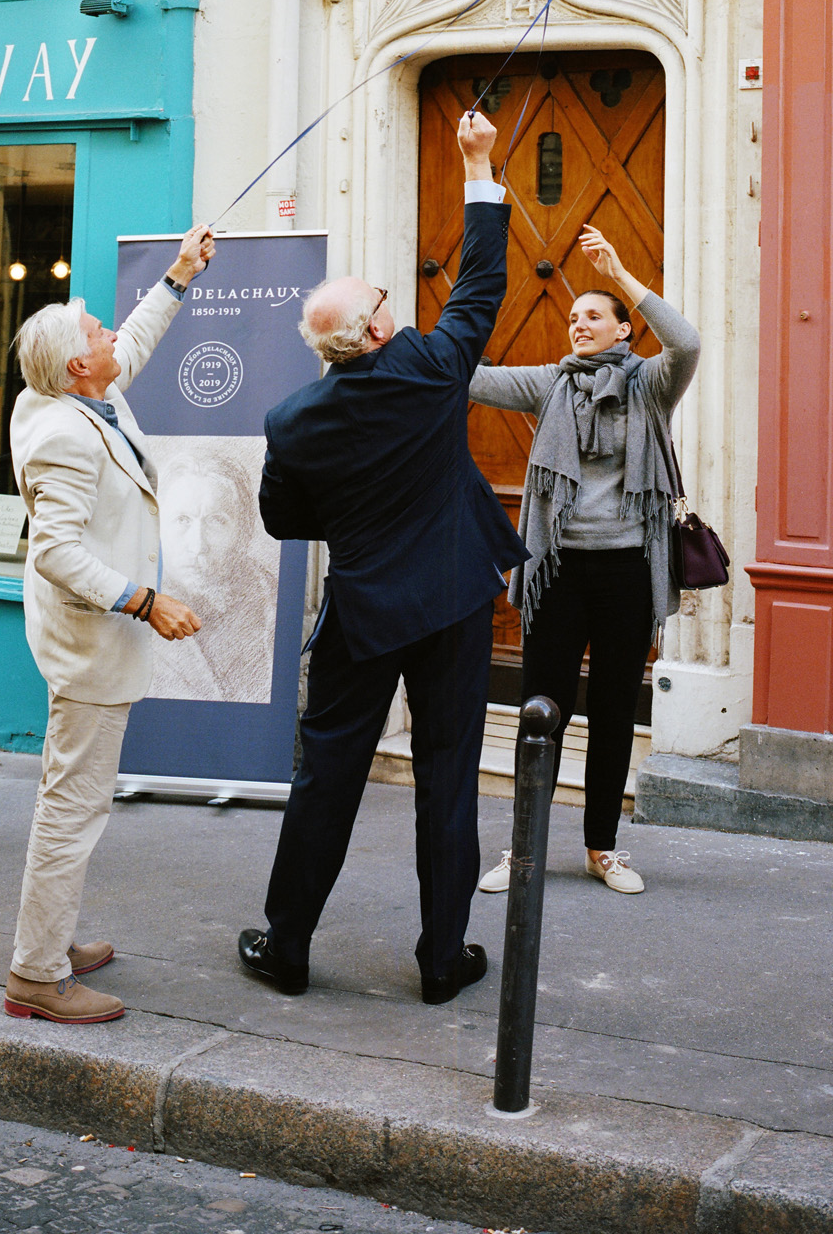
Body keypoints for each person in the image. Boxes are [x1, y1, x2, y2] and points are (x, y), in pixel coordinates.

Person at [239, 108, 524, 1006]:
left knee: (326, 777)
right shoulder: (431, 369)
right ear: (367, 336)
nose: (398, 311)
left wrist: (356, 517)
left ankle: (287, 947)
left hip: (363, 610)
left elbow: (284, 521)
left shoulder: (292, 422)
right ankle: (443, 960)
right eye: (385, 306)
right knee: (448, 780)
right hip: (450, 604)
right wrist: (477, 164)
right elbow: (480, 284)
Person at [3, 224, 215, 1026]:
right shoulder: (63, 430)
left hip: (91, 643)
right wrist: (143, 599)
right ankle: (36, 973)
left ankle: (50, 942)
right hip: (89, 647)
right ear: (76, 367)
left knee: (76, 804)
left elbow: (133, 341)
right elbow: (56, 551)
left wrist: (179, 275)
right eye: (94, 332)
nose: (107, 335)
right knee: (73, 807)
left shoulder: (76, 391)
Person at [470, 232, 698, 899]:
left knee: (610, 714)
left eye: (593, 316)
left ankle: (602, 846)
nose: (578, 324)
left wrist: (619, 272)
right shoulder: (550, 385)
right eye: (573, 318)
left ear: (624, 329)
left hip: (628, 571)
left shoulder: (652, 384)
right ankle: (521, 849)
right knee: (543, 711)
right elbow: (472, 378)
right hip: (557, 571)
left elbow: (685, 342)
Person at [152, 441, 281, 704]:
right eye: (182, 520)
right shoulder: (130, 594)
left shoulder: (273, 602)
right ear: (157, 525)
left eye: (216, 521)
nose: (198, 546)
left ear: (243, 533)